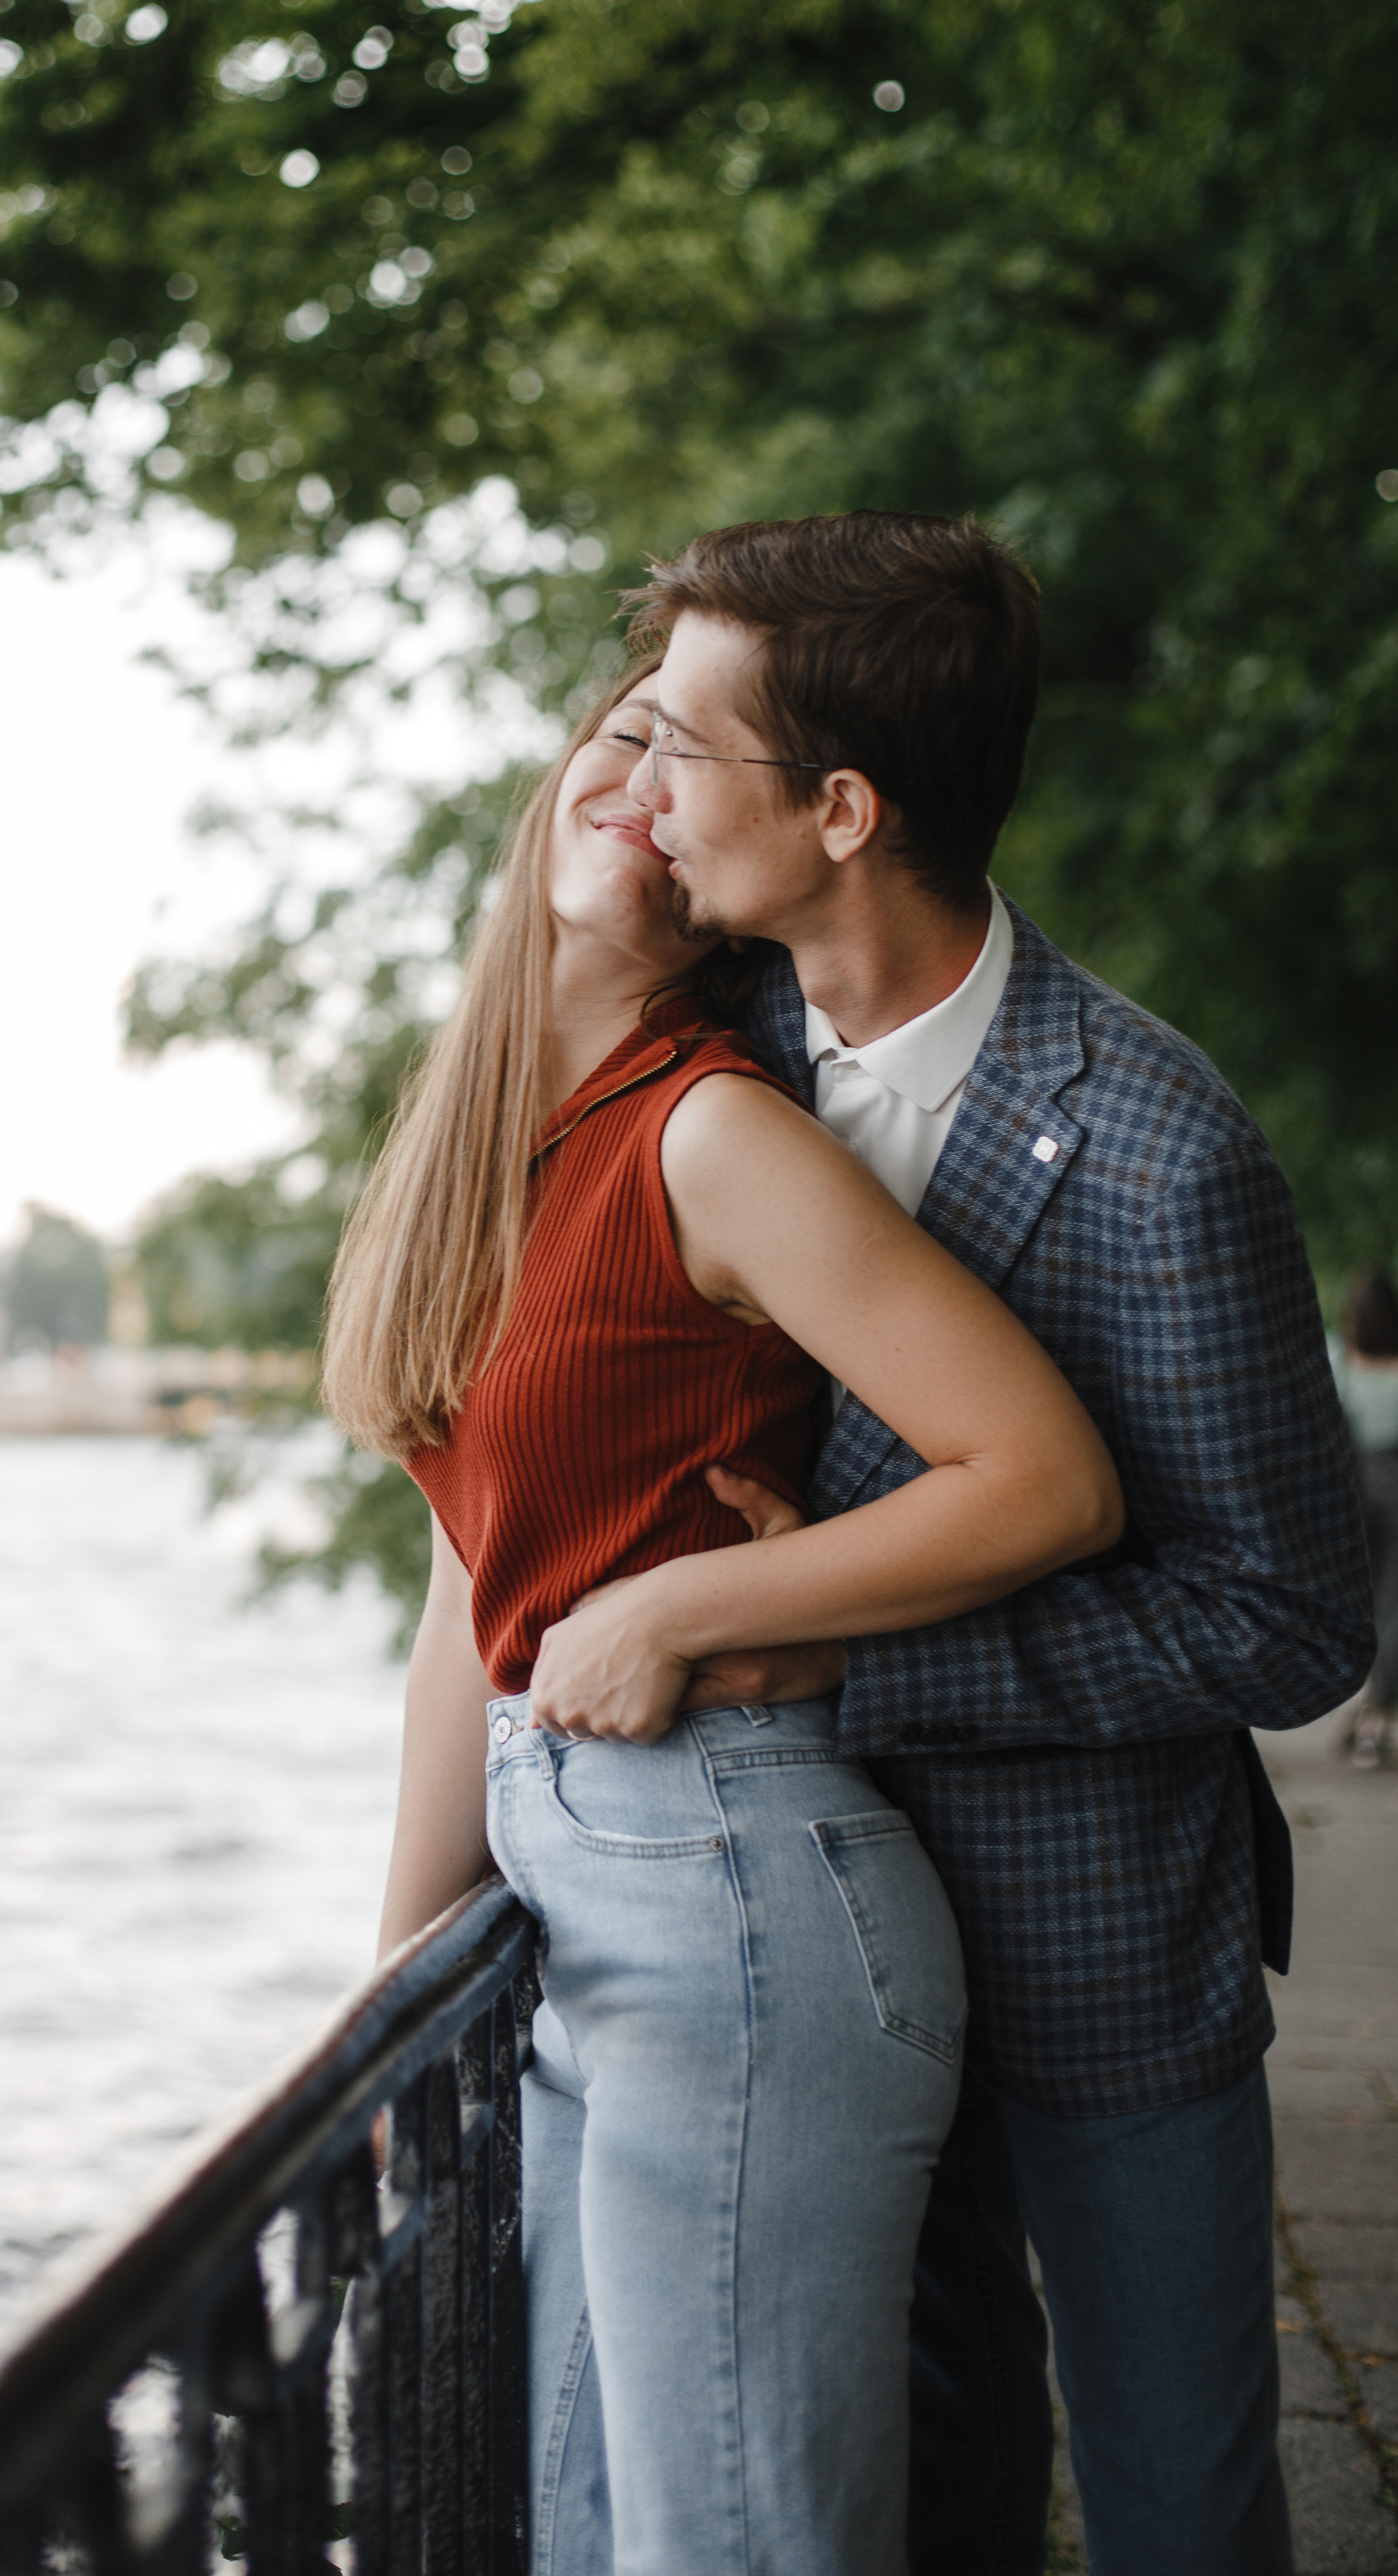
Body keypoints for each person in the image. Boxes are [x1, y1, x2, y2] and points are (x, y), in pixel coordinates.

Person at [619, 511, 1372, 2576]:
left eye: (682, 742)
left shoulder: (1163, 1150)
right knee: (925, 2485)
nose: (637, 786)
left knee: (1179, 2500)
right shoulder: (696, 1075)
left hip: (1104, 1956)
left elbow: (1294, 1624)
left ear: (844, 808)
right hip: (807, 1952)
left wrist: (863, 1653)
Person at [325, 667, 1124, 2576]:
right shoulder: (489, 1158)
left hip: (733, 1905)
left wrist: (684, 1599)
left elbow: (1041, 1473)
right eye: (618, 732)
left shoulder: (705, 1131)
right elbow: (474, 1579)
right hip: (591, 1904)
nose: (636, 777)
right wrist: (394, 1970)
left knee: (733, 2544)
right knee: (594, 2527)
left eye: (682, 760)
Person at [1333, 1269, 1398, 1768]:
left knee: (1354, 1603)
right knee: (1391, 1606)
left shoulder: (1340, 1362)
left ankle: (1358, 1707)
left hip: (1351, 1494)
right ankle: (1376, 1715)